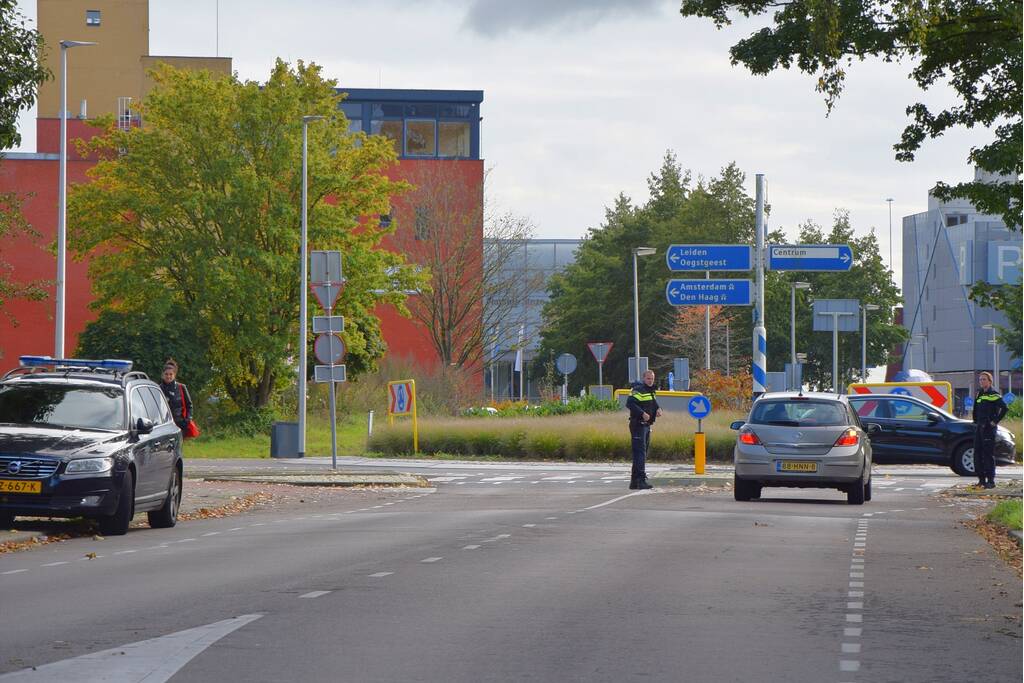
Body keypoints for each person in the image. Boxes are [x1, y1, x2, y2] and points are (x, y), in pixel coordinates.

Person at [626, 369, 662, 490]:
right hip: (638, 425)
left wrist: (658, 409)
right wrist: (642, 413)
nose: (650, 381)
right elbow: (630, 403)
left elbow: (654, 403)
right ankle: (640, 480)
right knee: (640, 454)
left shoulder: (651, 391)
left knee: (641, 453)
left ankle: (634, 481)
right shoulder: (638, 390)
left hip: (646, 426)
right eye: (648, 378)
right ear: (643, 378)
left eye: (652, 379)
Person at [971, 371, 1007, 489]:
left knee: (987, 454)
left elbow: (1004, 408)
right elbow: (976, 409)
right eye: (980, 379)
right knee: (977, 453)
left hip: (988, 429)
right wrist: (975, 421)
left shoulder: (993, 394)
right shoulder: (979, 394)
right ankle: (981, 480)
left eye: (984, 379)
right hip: (979, 427)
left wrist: (994, 422)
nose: (982, 381)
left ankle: (990, 481)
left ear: (990, 381)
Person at [158, 359, 194, 433]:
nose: (168, 376)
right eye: (166, 374)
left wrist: (187, 420)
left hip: (180, 424)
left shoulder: (181, 387)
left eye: (171, 374)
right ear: (163, 374)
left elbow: (189, 405)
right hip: (163, 425)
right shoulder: (158, 389)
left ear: (174, 375)